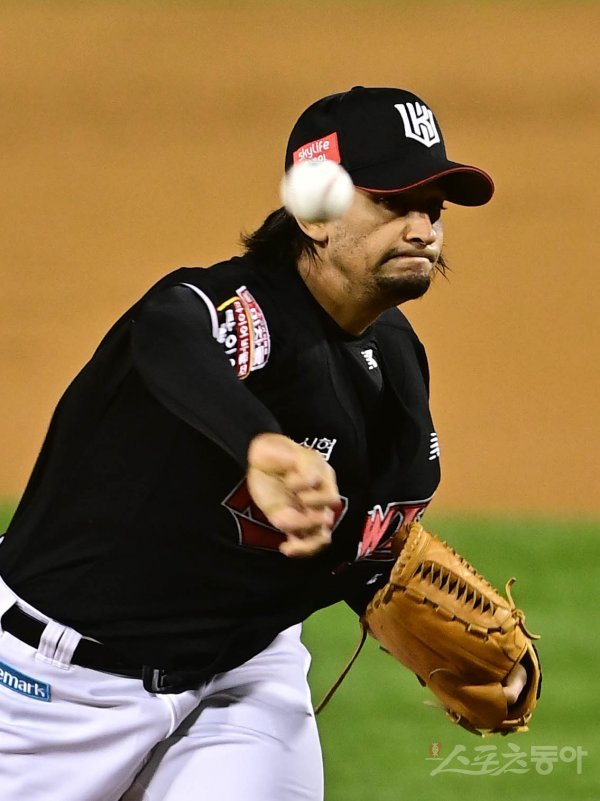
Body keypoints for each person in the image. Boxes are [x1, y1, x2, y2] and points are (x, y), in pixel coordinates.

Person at [0, 86, 519, 800]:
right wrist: (255, 441)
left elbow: (364, 539)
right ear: (314, 214)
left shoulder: (396, 360)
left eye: (433, 207)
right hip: (49, 695)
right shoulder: (242, 312)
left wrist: (389, 588)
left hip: (239, 683)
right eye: (392, 202)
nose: (422, 228)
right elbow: (169, 330)